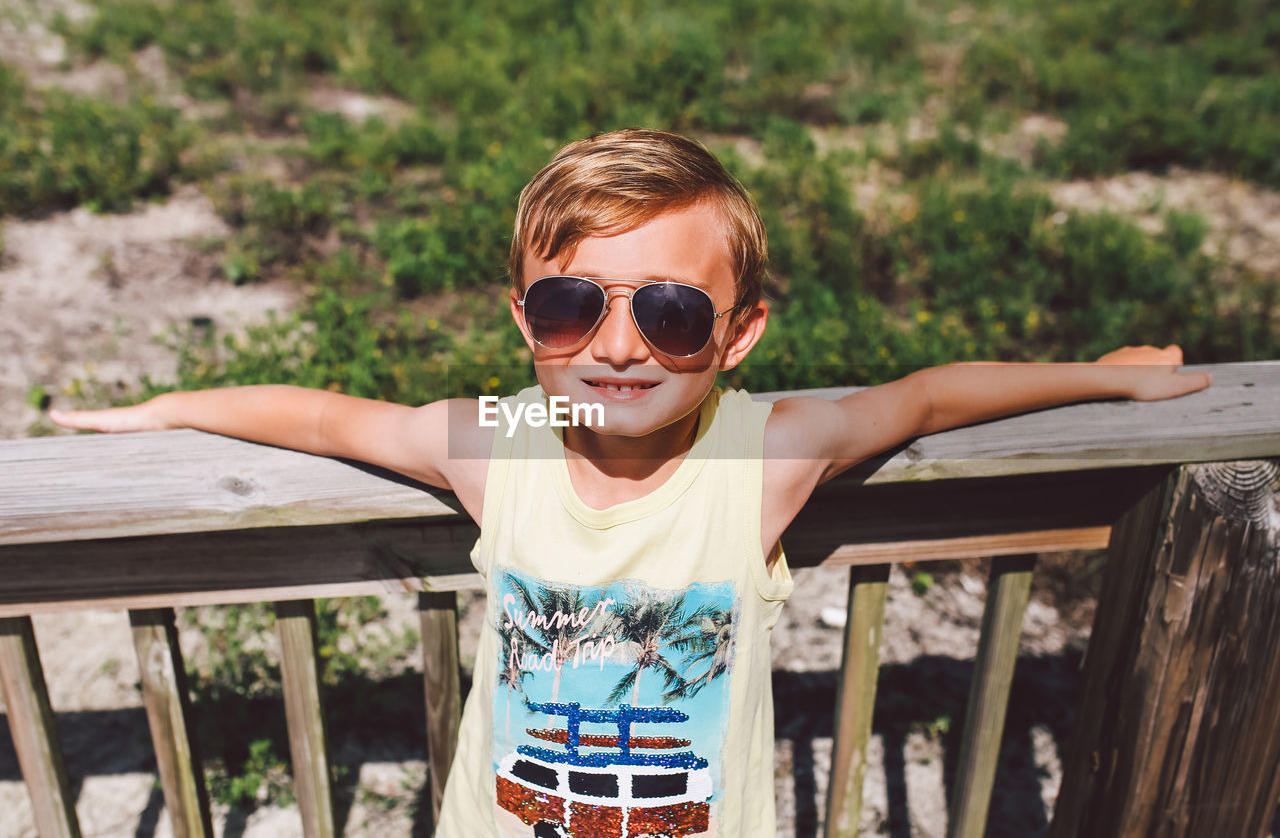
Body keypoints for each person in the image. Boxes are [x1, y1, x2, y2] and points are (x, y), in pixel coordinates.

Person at [51, 128, 1212, 837]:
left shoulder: (757, 456)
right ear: (524, 318)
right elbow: (320, 413)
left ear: (739, 331)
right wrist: (164, 408)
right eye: (571, 305)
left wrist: (1100, 379)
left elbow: (922, 397)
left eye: (668, 311)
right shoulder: (500, 443)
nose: (616, 347)